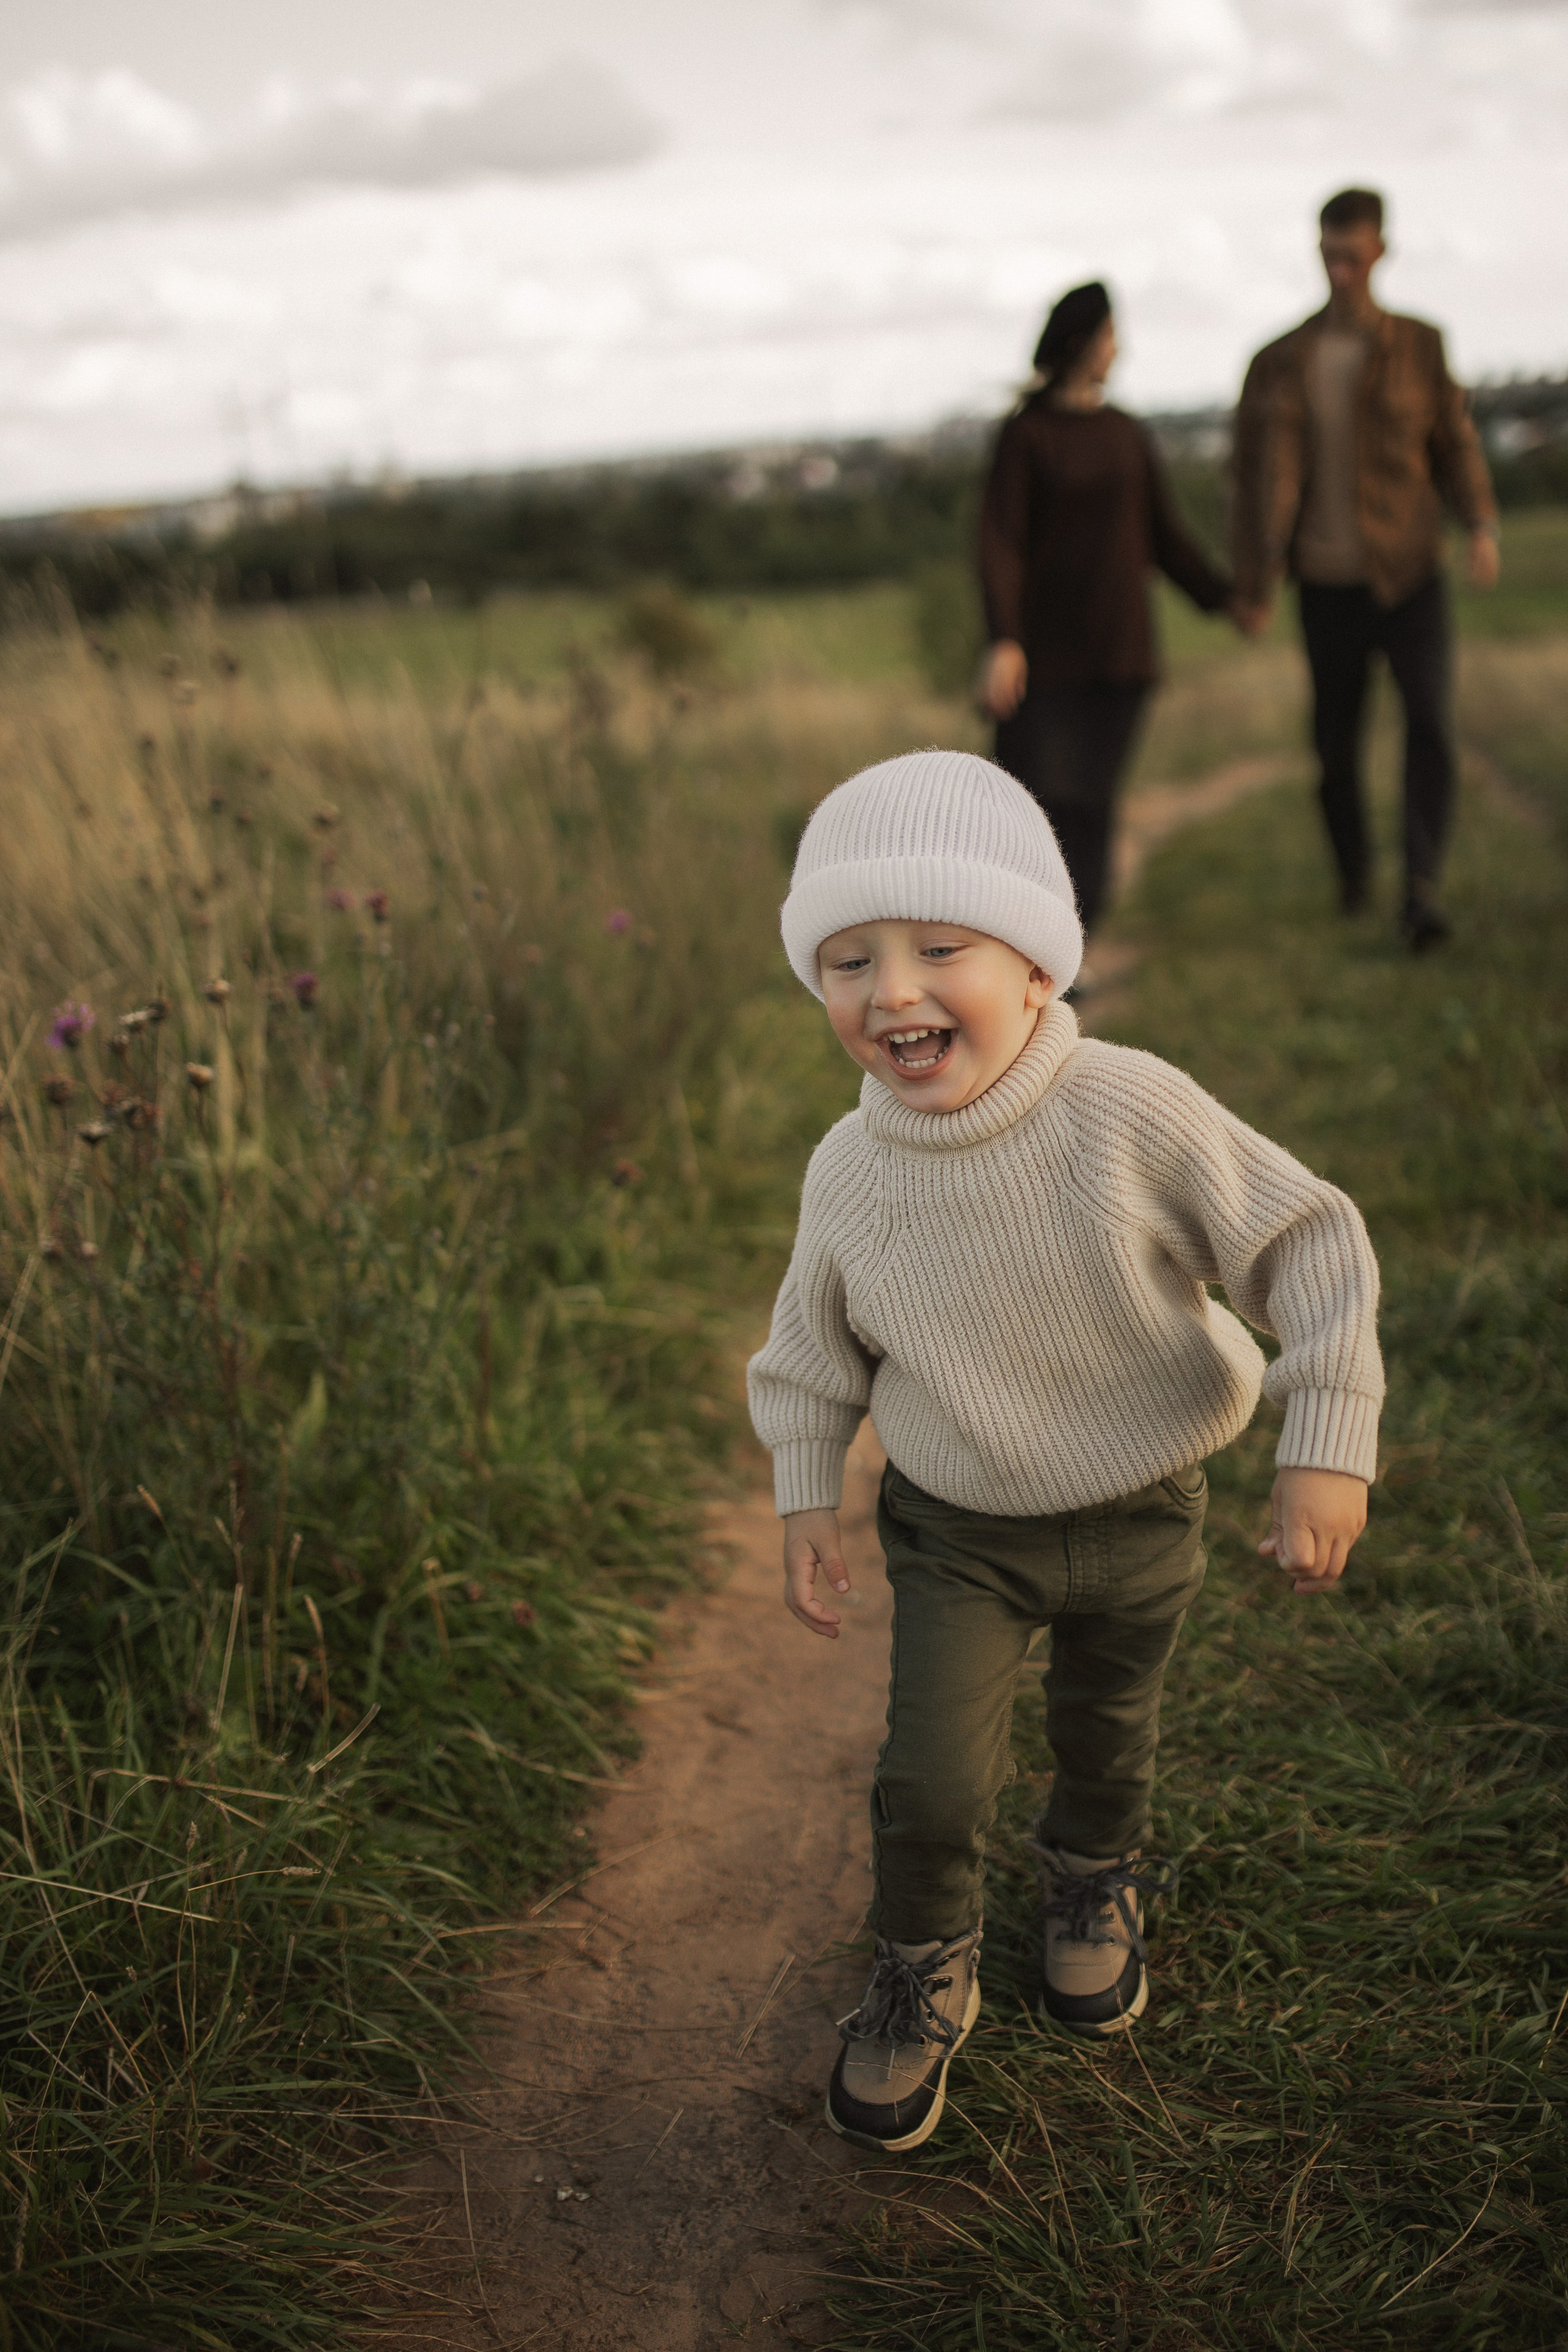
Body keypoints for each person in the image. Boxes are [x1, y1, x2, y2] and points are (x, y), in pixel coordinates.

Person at [748, 748, 1383, 2154]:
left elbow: (1305, 1240)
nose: (891, 989)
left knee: (1106, 1728)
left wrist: (1322, 1432)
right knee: (928, 1776)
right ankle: (921, 1961)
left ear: (1036, 968)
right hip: (957, 1524)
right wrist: (806, 1490)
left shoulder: (1128, 1109)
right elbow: (808, 1348)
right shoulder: (847, 1172)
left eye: (939, 946)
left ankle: (1091, 1876)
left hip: (1143, 1504)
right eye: (847, 960)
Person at [1231, 188, 1499, 949]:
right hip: (1325, 582)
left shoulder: (1420, 343)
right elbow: (1249, 482)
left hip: (1410, 570)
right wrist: (1253, 583)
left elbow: (1453, 440)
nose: (1340, 271)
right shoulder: (1280, 360)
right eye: (1328, 256)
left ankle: (1421, 889)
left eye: (1352, 255)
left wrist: (1479, 521)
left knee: (1430, 725)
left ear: (1380, 252)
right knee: (1334, 746)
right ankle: (1354, 875)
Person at [977, 281, 1232, 971]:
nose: (1119, 347)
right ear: (1084, 342)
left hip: (1121, 656)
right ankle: (1017, 955)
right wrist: (1003, 638)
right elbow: (999, 539)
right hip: (1043, 658)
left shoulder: (1124, 431)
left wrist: (1224, 597)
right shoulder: (1026, 435)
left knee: (1090, 806)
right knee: (1032, 808)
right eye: (1111, 333)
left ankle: (1067, 959)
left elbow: (1164, 535)